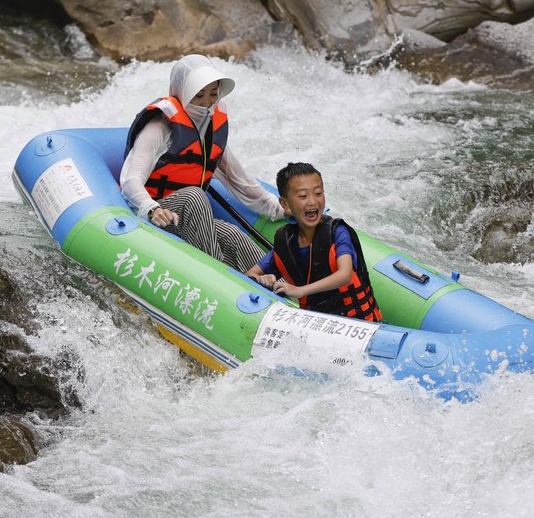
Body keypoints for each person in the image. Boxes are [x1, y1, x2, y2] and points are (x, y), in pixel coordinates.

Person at [120, 54, 283, 272]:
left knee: (232, 234)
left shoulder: (210, 130)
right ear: (182, 93)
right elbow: (130, 180)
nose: (207, 104)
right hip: (155, 213)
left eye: (213, 94)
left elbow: (240, 181)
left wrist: (279, 207)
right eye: (198, 96)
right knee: (194, 196)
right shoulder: (159, 127)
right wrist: (151, 208)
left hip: (188, 220)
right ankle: (223, 277)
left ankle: (286, 292)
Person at [246, 162, 382, 322]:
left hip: (359, 325)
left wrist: (300, 291)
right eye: (303, 196)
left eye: (318, 193)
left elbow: (345, 274)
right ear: (285, 203)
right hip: (316, 326)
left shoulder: (337, 232)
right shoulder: (286, 242)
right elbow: (250, 274)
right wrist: (263, 279)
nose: (312, 201)